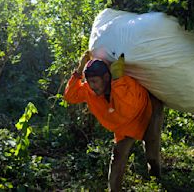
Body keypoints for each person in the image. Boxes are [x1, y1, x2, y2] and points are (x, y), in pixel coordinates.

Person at [63, 51, 164, 191]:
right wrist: (79, 71)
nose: (91, 86)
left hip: (148, 111)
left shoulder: (124, 82)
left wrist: (118, 80)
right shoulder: (90, 90)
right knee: (117, 158)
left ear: (106, 77)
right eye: (89, 81)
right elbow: (70, 96)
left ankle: (157, 183)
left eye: (94, 81)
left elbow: (128, 109)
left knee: (152, 154)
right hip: (124, 126)